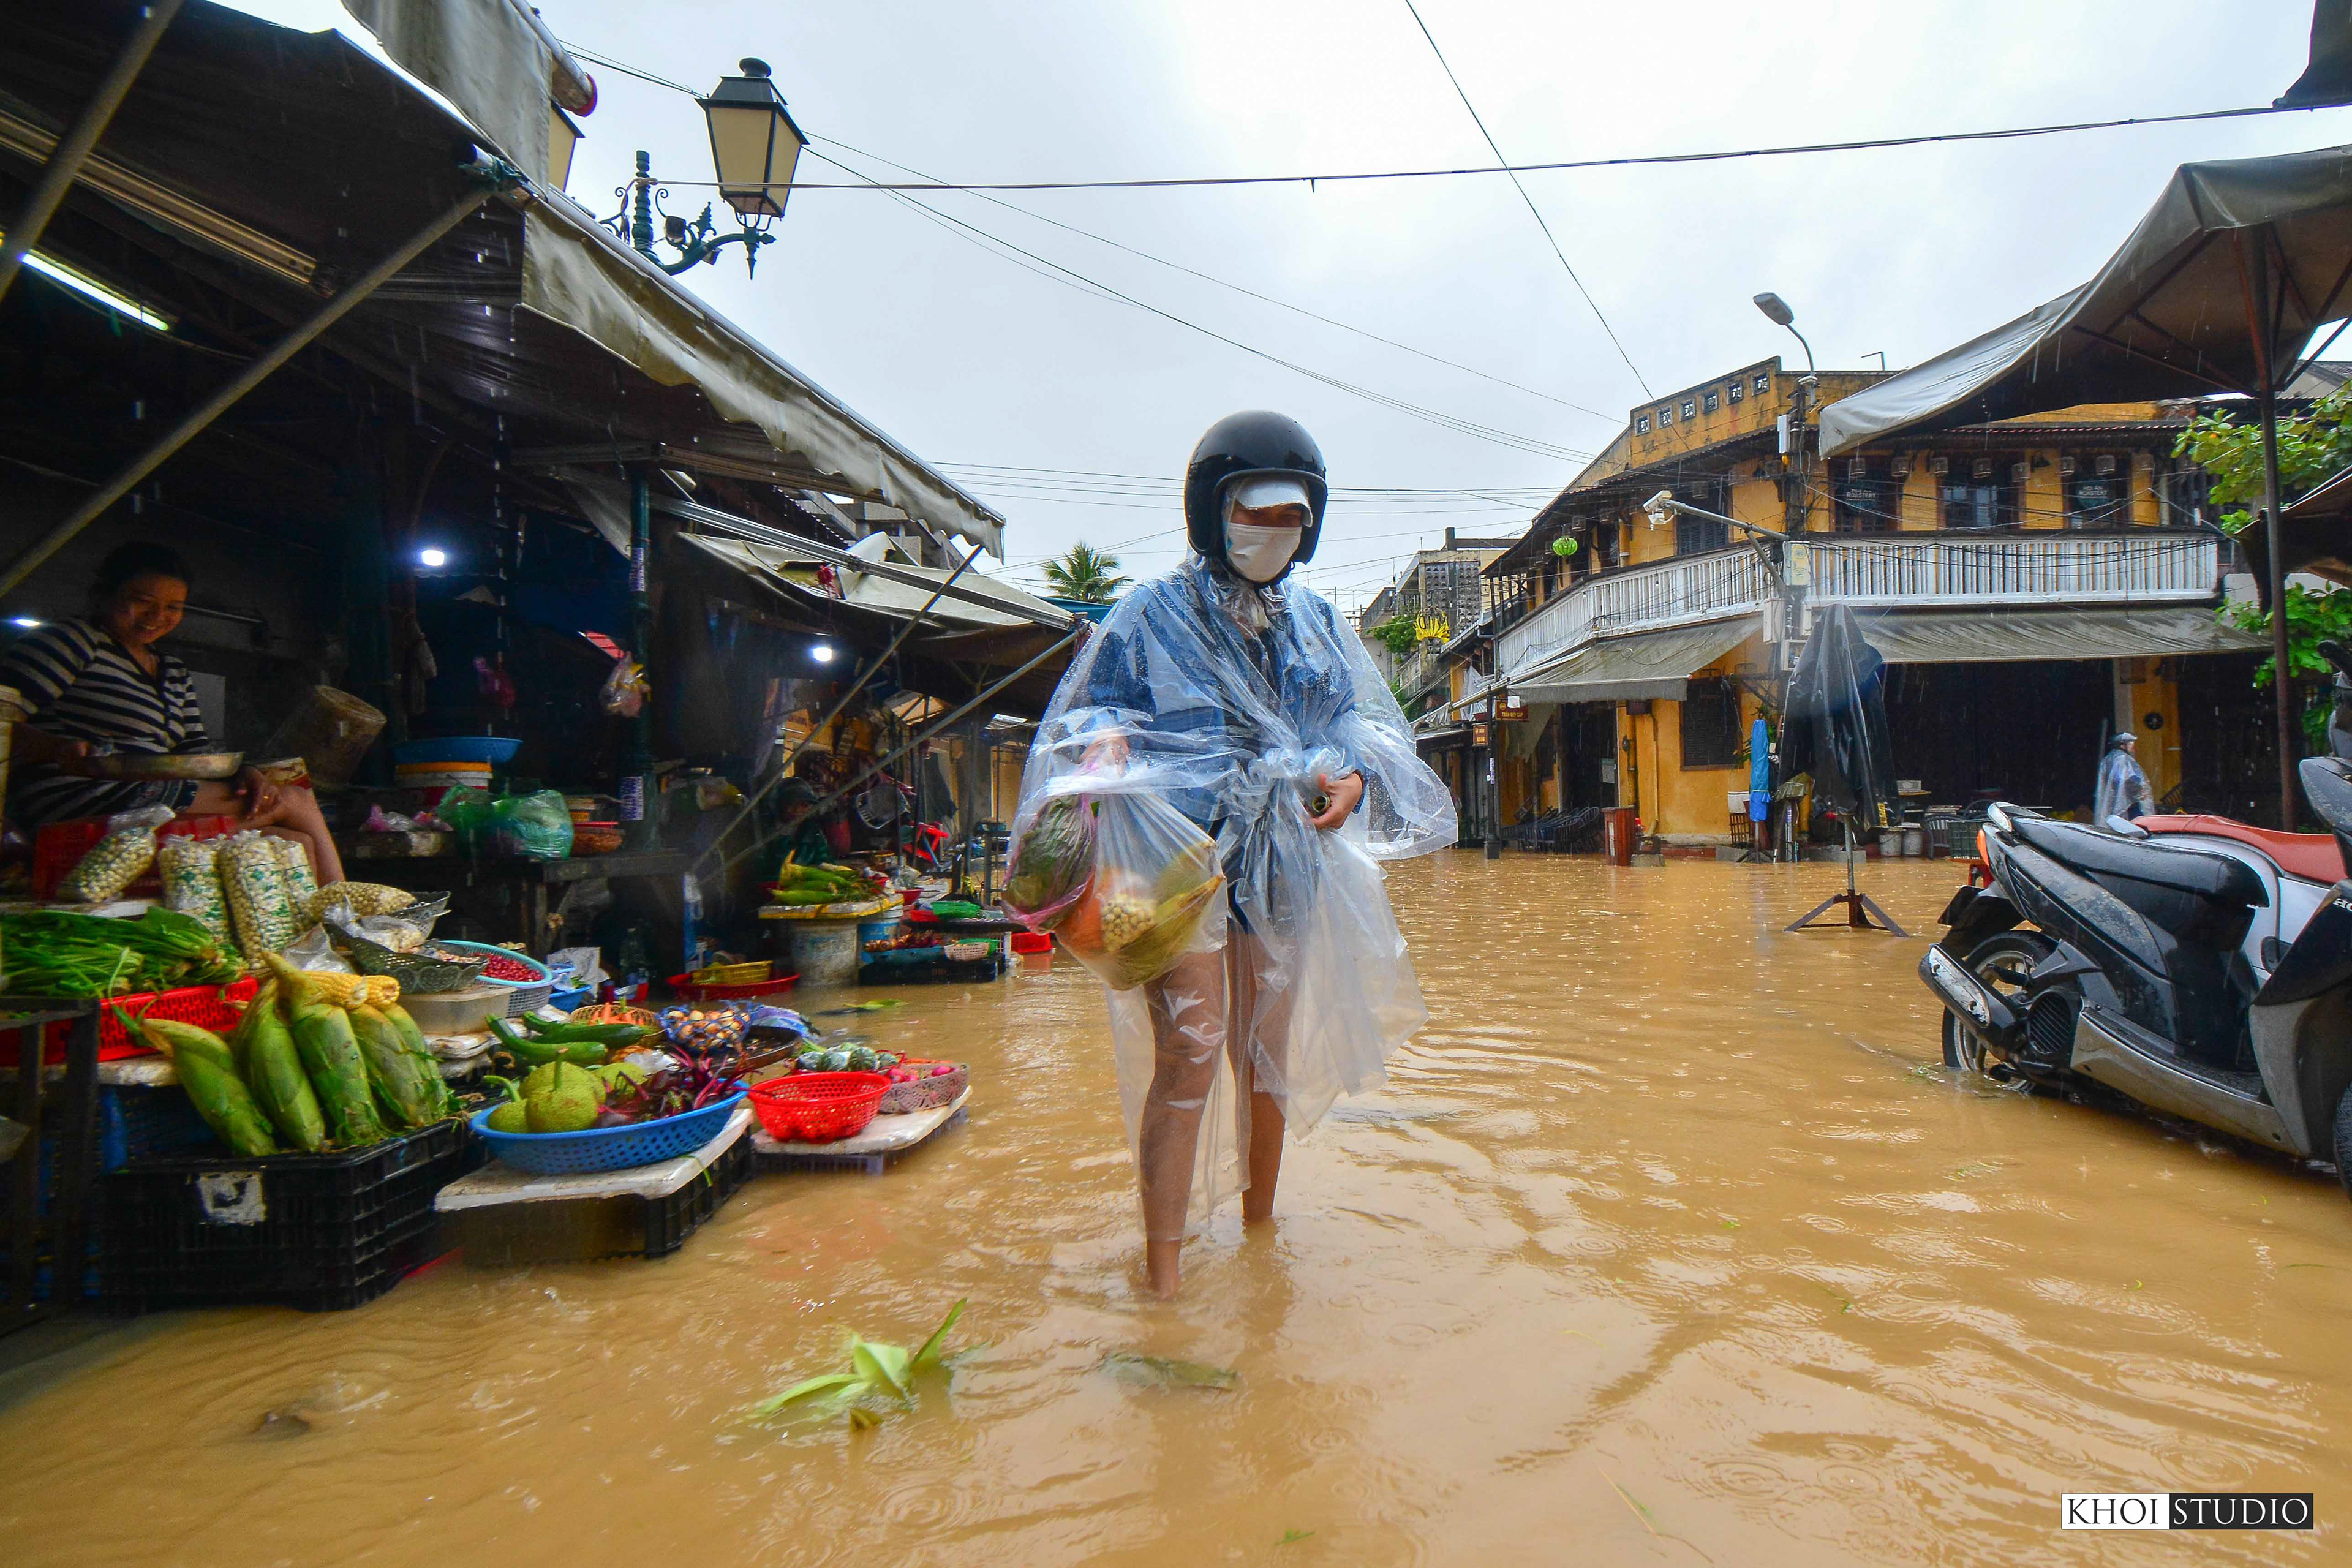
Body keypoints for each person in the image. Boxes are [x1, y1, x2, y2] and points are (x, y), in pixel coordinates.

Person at [1012, 412, 1457, 1297]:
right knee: (1190, 1046)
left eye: (1289, 517)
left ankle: (1261, 1241)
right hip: (1173, 866)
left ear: (1312, 523)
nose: (1271, 533)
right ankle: (1165, 1274)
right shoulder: (1148, 613)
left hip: (1283, 862)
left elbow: (1349, 727)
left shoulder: (1318, 623)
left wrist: (1352, 779)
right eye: (1254, 514)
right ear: (1212, 513)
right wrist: (1102, 751)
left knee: (1265, 1059)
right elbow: (1088, 716)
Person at [1, 541, 345, 883]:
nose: (157, 617)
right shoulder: (73, 642)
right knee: (294, 801)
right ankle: (349, 914)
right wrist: (57, 749)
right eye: (142, 602)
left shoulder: (172, 670)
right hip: (80, 796)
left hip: (152, 796)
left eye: (173, 607)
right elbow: (4, 720)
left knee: (294, 843)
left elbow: (193, 753)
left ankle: (324, 928)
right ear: (105, 594)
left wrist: (244, 773)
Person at [2094, 730, 2154, 827]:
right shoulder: (2122, 759)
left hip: (2118, 802)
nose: (2133, 745)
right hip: (2129, 804)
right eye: (2130, 743)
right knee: (2139, 827)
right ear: (2122, 745)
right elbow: (2127, 779)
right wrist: (2140, 791)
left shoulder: (2109, 758)